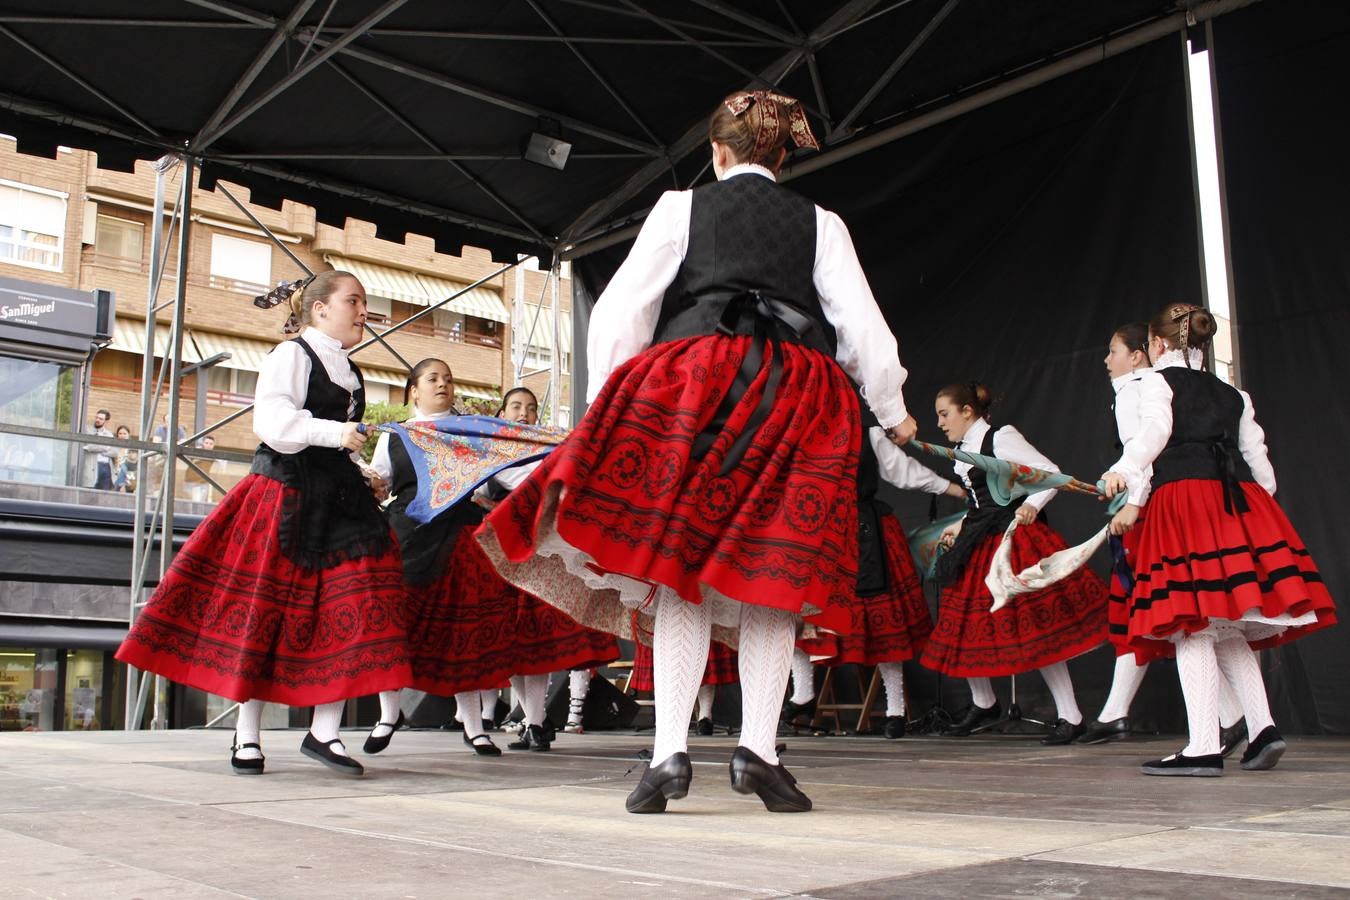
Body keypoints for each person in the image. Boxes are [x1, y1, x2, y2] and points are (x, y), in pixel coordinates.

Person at [478, 90, 916, 814]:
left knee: (679, 567)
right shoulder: (822, 222)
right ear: (782, 156)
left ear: (717, 153)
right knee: (776, 574)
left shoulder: (681, 207)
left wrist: (603, 411)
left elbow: (623, 313)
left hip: (694, 393)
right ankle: (759, 752)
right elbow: (866, 333)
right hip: (794, 399)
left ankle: (668, 756)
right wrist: (893, 413)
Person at [116, 270, 412, 777]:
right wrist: (337, 433)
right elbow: (272, 423)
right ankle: (247, 734)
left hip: (338, 502)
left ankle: (324, 730)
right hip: (286, 494)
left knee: (358, 601)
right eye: (354, 301)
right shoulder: (292, 354)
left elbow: (336, 443)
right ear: (320, 309)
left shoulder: (350, 371)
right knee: (267, 610)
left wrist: (365, 473)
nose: (364, 310)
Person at [1105, 303, 1336, 776]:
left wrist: (1124, 471)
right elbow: (1259, 461)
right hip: (1238, 504)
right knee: (1225, 625)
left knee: (1189, 622)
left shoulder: (1154, 381)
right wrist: (1258, 509)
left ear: (1159, 344)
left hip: (1185, 502)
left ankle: (1204, 746)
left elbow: (1153, 434)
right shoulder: (1234, 393)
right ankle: (1263, 728)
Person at [364, 373, 617, 757]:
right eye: (433, 378)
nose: (443, 384)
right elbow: (380, 479)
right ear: (413, 390)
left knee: (466, 632)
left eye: (448, 379)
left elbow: (517, 474)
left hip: (463, 539)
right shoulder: (394, 435)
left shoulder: (474, 432)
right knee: (395, 625)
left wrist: (569, 460)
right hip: (409, 535)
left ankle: (475, 726)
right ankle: (388, 714)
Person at [1080, 322, 1245, 750]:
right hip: (1158, 505)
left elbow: (1149, 446)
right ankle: (1236, 718)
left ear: (1140, 353)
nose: (1106, 359)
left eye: (1113, 350)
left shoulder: (1141, 387)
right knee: (1174, 614)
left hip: (1158, 511)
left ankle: (1228, 721)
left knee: (1170, 611)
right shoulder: (1141, 389)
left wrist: (1133, 501)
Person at [918, 382, 1108, 745]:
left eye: (945, 414)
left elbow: (1051, 472)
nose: (940, 424)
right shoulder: (961, 451)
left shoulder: (999, 437)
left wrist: (1031, 506)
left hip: (1011, 540)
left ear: (967, 411)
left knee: (1035, 629)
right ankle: (983, 702)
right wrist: (959, 526)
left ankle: (1071, 716)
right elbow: (981, 502)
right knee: (964, 622)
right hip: (978, 540)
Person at [81, 409, 114, 490]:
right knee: (89, 488)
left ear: (106, 421)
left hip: (105, 466)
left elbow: (106, 447)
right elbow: (85, 444)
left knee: (103, 492)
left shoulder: (109, 434)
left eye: (101, 419)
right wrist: (98, 446)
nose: (97, 420)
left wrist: (89, 448)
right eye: (97, 417)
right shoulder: (87, 430)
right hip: (92, 464)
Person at [111, 424, 137, 493]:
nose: (122, 435)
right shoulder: (114, 449)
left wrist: (125, 483)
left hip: (128, 480)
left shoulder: (132, 450)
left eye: (124, 433)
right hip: (114, 478)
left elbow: (133, 468)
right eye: (120, 433)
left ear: (128, 435)